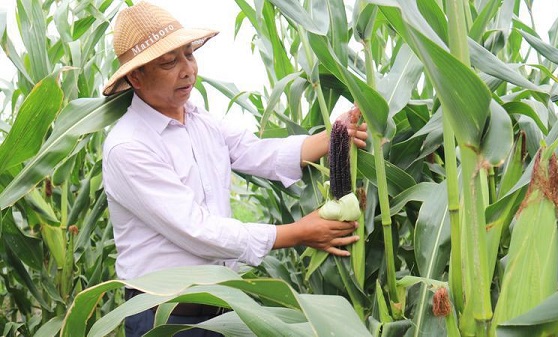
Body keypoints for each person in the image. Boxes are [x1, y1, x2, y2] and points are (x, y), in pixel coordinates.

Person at [101, 2, 368, 337]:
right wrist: (298, 233)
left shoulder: (200, 120)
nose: (187, 69)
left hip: (223, 308)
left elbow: (256, 151)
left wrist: (334, 135)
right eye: (170, 62)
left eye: (189, 54)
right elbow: (196, 231)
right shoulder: (129, 146)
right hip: (166, 318)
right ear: (135, 76)